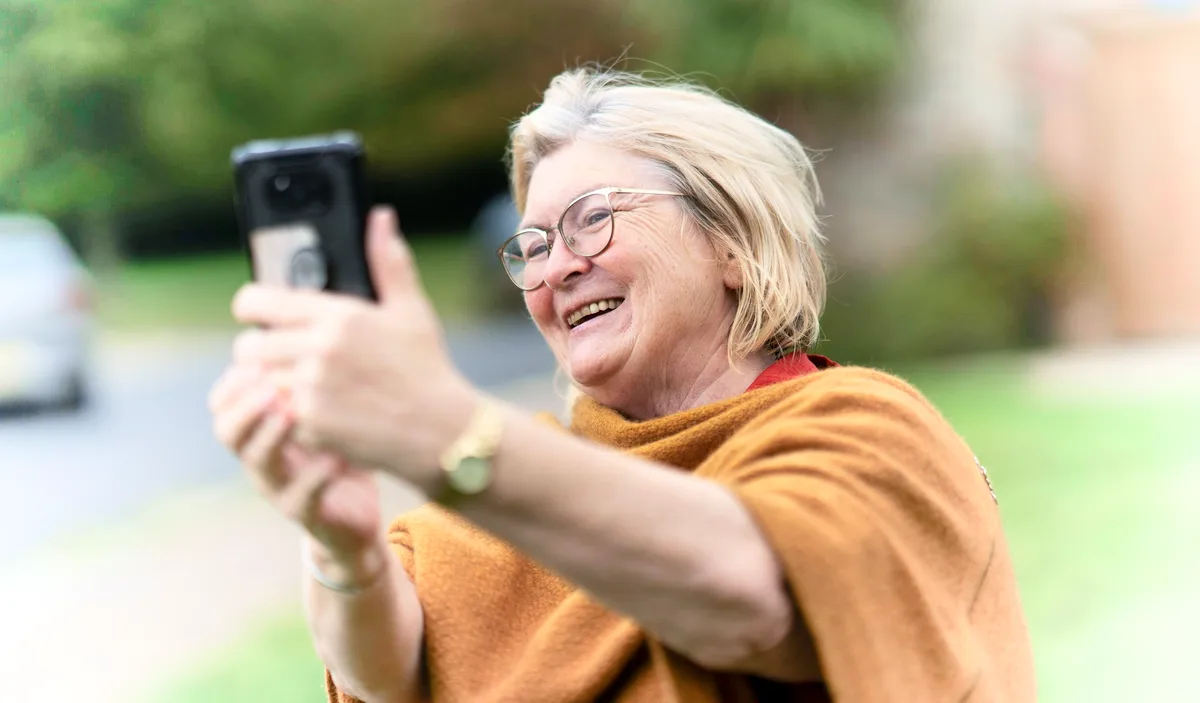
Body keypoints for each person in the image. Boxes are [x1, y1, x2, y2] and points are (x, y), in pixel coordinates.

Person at [209, 67, 1036, 702]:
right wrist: (340, 541)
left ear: (734, 245)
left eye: (593, 219)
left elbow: (752, 596)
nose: (558, 268)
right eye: (532, 245)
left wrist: (440, 427)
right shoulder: (498, 513)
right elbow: (385, 673)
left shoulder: (874, 431)